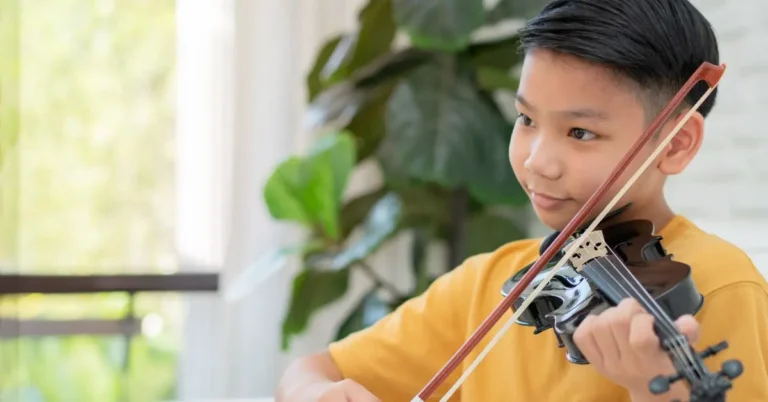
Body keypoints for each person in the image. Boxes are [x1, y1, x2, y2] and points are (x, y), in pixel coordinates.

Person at [275, 0, 768, 400]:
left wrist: (651, 389)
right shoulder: (489, 282)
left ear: (677, 143)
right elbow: (314, 368)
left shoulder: (720, 286)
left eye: (580, 132)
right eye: (527, 119)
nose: (537, 161)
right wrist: (317, 393)